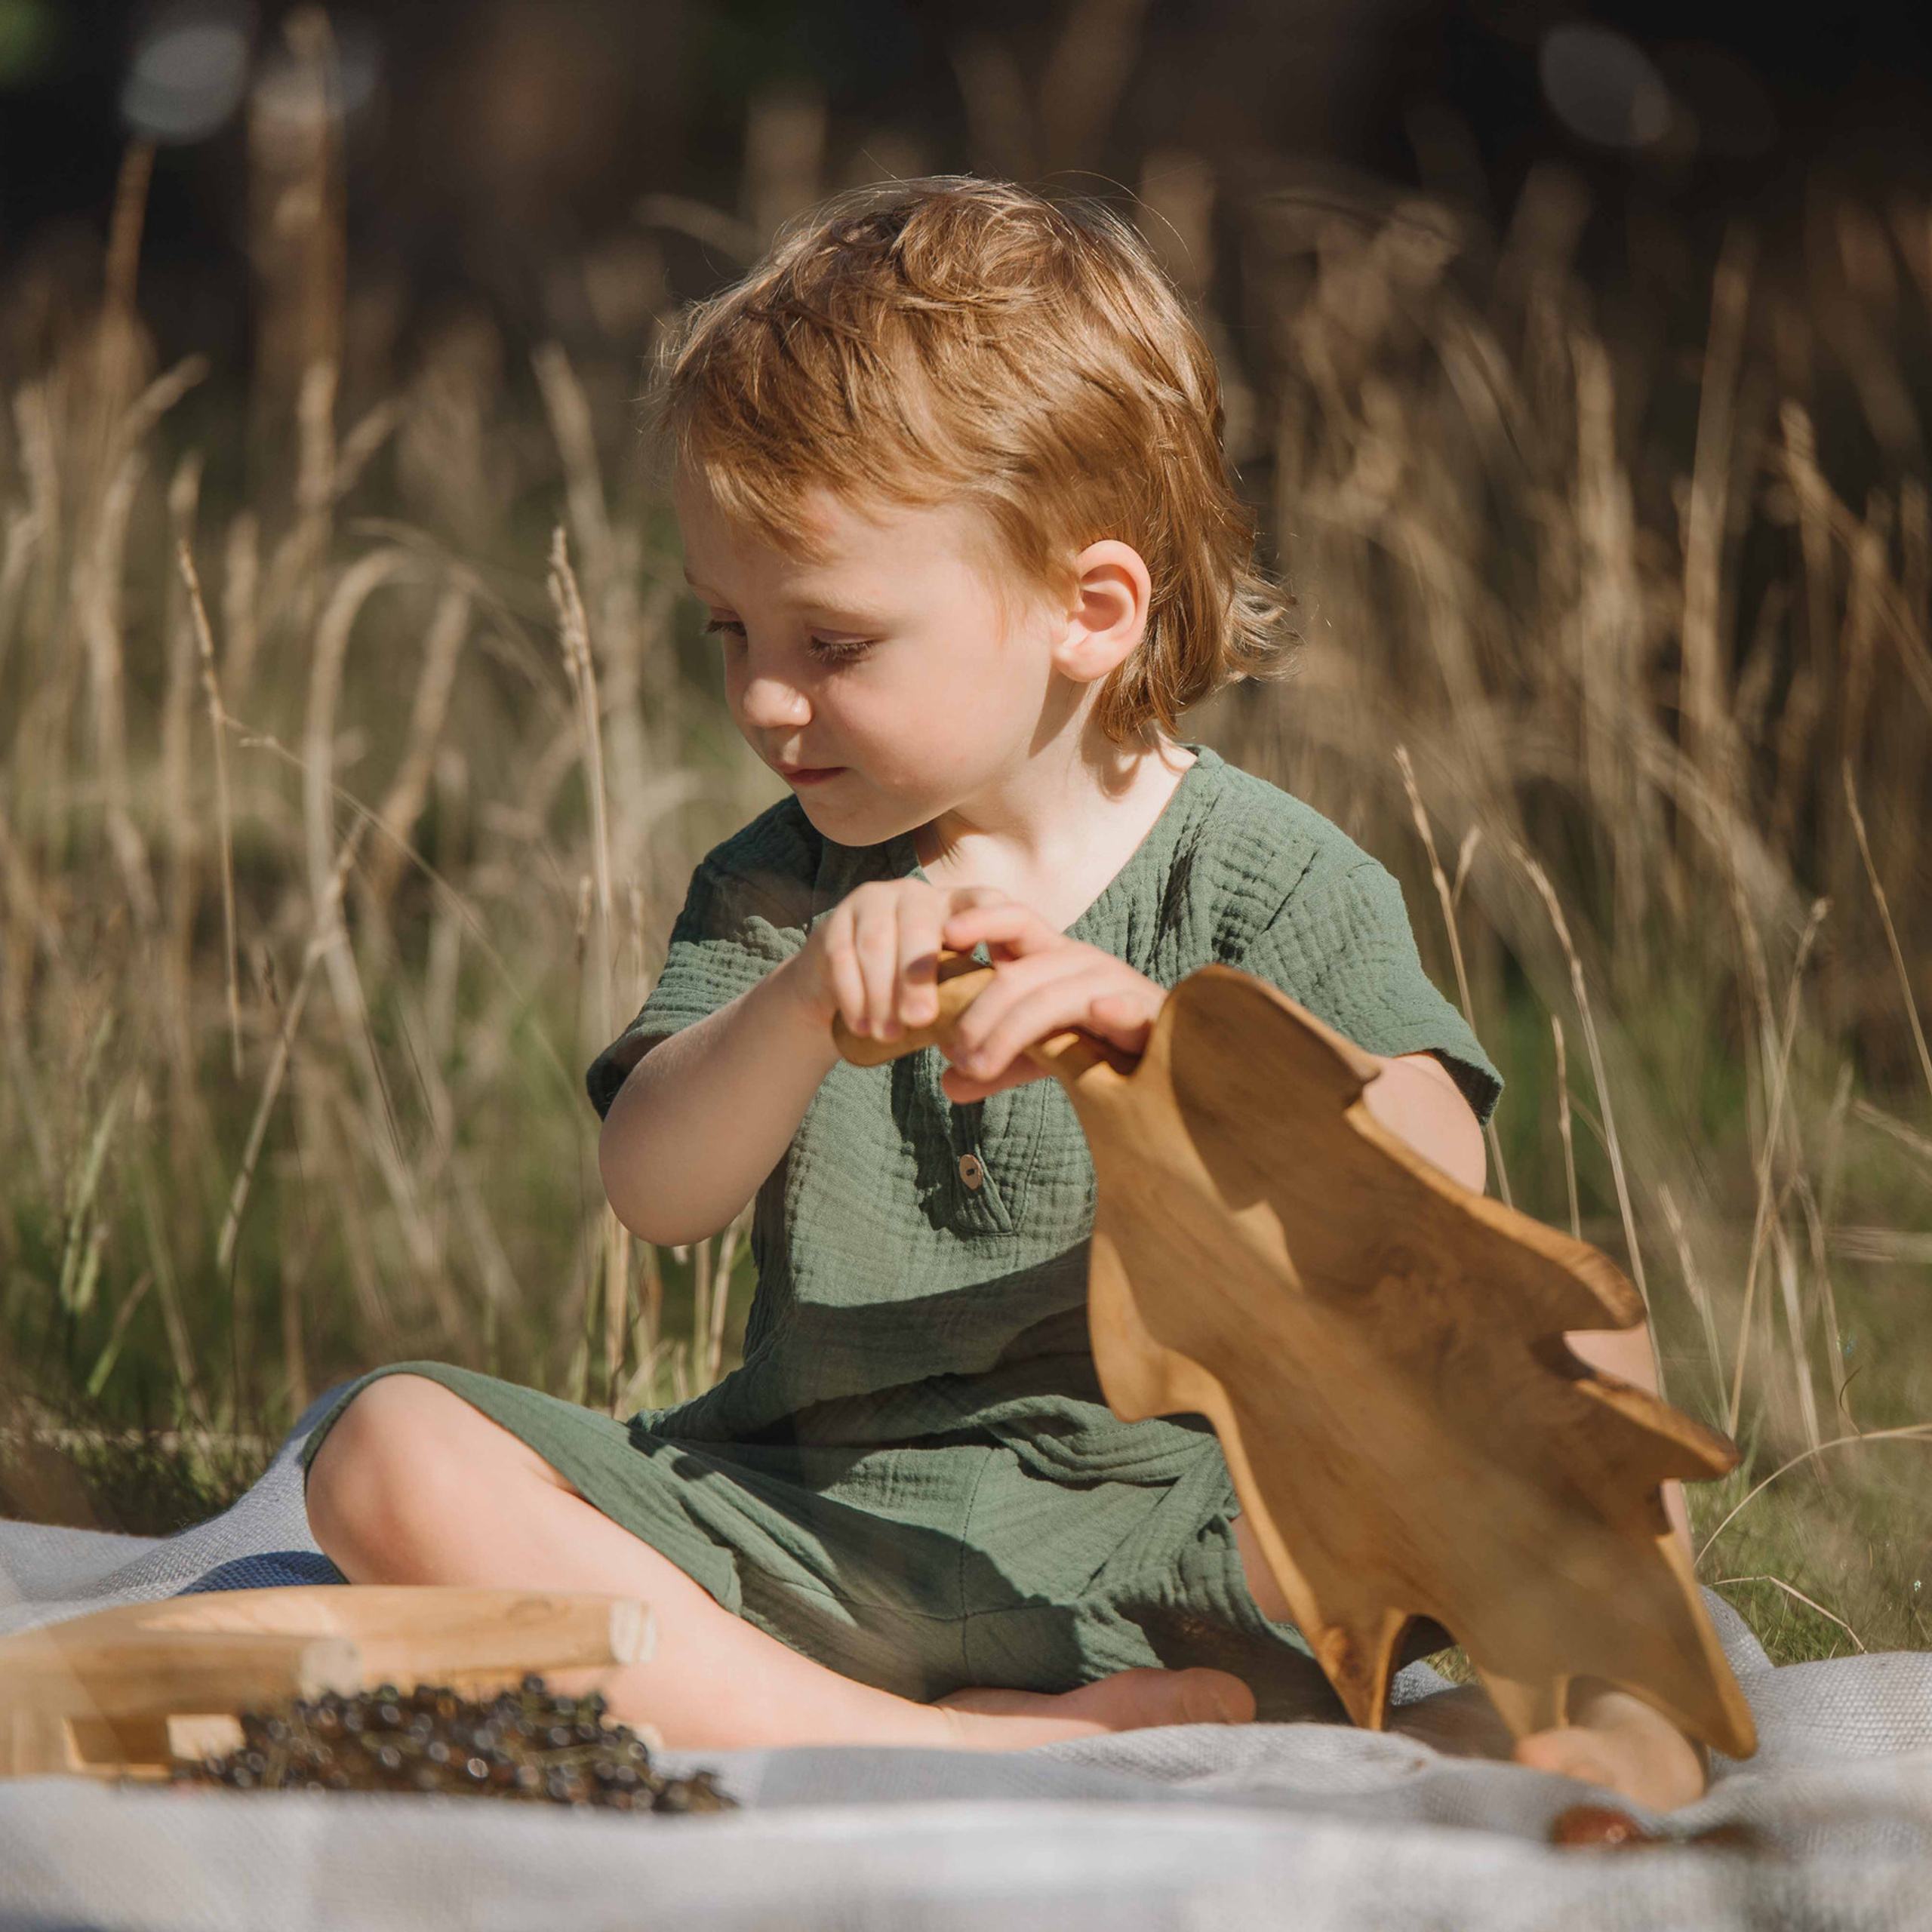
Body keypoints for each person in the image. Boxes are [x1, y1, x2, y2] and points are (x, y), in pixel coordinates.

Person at [303, 176, 1705, 1807]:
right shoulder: (785, 886)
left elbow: (1433, 1185)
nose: (763, 695)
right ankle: (934, 1743)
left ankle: (1622, 1730)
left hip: (1197, 1533)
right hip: (820, 1531)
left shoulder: (1263, 878)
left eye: (830, 640)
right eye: (726, 629)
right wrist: (791, 1015)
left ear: (1086, 611)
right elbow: (655, 1191)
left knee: (1588, 1339)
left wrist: (1166, 1048)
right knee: (383, 1448)